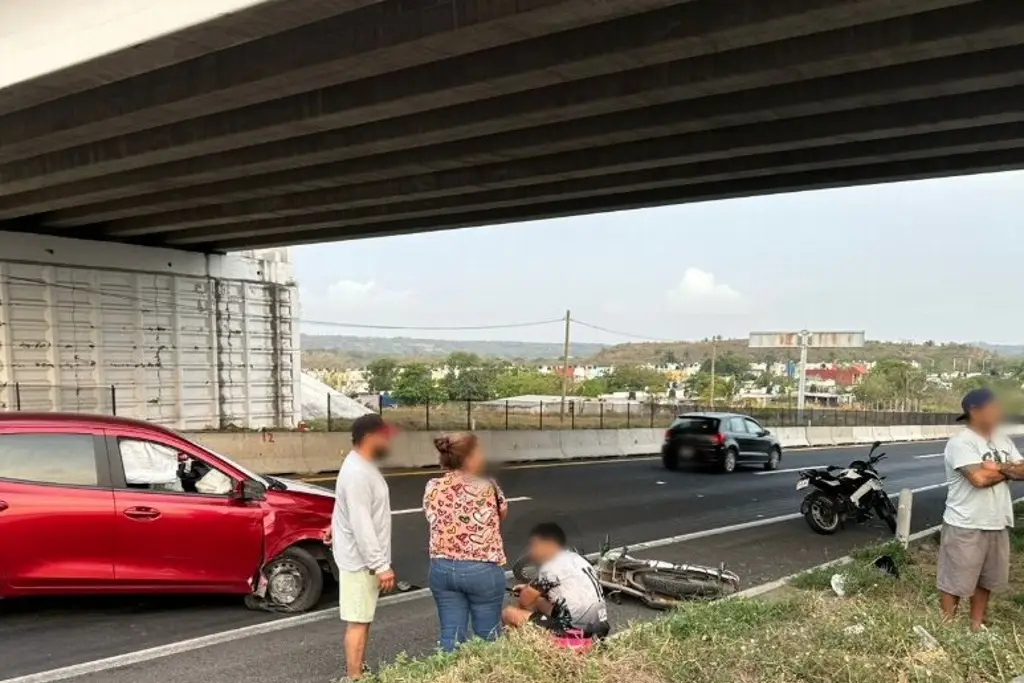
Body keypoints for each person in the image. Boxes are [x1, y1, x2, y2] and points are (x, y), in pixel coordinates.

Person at [938, 387, 1024, 631]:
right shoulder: (960, 442)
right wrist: (1008, 469)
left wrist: (996, 466)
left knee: (986, 579)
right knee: (954, 580)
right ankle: (948, 628)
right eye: (994, 407)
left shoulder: (1002, 439)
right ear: (974, 411)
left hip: (997, 521)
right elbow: (978, 479)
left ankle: (976, 626)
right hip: (965, 523)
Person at [422, 432, 509, 652]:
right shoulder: (487, 485)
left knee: (451, 636)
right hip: (481, 567)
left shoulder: (432, 486)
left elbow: (431, 514)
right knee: (488, 636)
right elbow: (502, 513)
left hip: (441, 567)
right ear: (470, 457)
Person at [331, 414, 396, 681]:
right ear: (371, 437)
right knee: (358, 620)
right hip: (361, 562)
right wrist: (381, 566)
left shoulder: (361, 465)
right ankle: (354, 677)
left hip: (361, 558)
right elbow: (361, 523)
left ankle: (359, 671)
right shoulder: (358, 473)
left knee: (363, 617)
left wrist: (333, 529)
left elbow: (345, 509)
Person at [502, 522, 609, 639]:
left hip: (573, 633)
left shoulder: (550, 566)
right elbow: (562, 588)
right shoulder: (575, 558)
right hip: (598, 628)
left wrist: (526, 596)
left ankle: (526, 642)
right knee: (538, 601)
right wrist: (529, 590)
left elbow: (525, 599)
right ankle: (539, 626)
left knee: (509, 613)